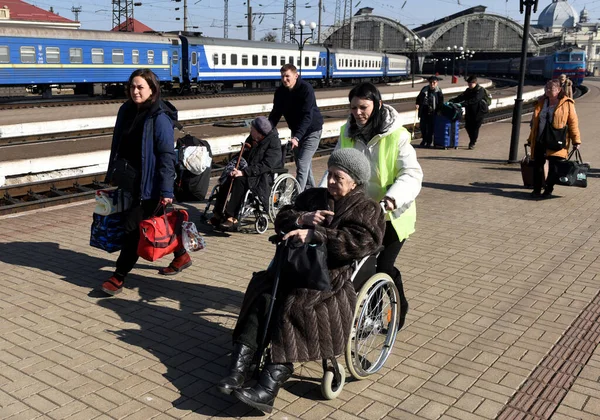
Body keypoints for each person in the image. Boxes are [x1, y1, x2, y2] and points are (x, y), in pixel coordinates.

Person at [218, 148, 385, 413]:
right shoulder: (315, 196)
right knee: (261, 291)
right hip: (293, 266)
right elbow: (283, 215)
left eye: (337, 177)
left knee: (294, 304)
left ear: (354, 181)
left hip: (329, 279)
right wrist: (301, 218)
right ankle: (239, 365)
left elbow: (363, 242)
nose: (330, 181)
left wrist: (317, 235)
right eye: (328, 174)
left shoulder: (367, 208)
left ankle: (269, 384)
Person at [319, 82, 423, 332]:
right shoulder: (347, 132)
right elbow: (334, 168)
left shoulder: (396, 135)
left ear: (377, 105)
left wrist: (390, 200)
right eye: (353, 107)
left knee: (382, 266)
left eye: (363, 107)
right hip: (358, 212)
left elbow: (411, 174)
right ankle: (363, 310)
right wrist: (322, 196)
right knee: (357, 262)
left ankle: (396, 309)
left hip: (391, 214)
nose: (357, 113)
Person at [101, 69, 191, 296]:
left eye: (140, 87)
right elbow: (118, 144)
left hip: (148, 184)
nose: (135, 91)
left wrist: (166, 189)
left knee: (133, 228)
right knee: (154, 222)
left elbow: (166, 156)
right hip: (129, 180)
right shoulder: (126, 110)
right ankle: (181, 255)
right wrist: (112, 171)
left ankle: (119, 275)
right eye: (132, 86)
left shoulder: (158, 117)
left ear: (152, 89)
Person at [210, 116, 282, 230]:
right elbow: (243, 153)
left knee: (239, 180)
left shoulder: (274, 143)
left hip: (261, 176)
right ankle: (218, 212)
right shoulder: (253, 138)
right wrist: (235, 166)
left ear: (259, 133)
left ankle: (232, 217)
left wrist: (244, 172)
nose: (250, 131)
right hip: (247, 170)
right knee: (229, 177)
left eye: (252, 129)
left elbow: (267, 165)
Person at [268, 64, 323, 191]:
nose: (284, 79)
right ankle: (311, 193)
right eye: (282, 76)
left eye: (287, 76)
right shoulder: (280, 92)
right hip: (296, 131)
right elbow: (275, 113)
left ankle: (297, 198)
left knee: (302, 164)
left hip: (312, 130)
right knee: (303, 165)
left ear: (296, 76)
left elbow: (307, 116)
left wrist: (297, 137)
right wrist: (266, 131)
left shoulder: (306, 89)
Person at [527, 79, 581, 198]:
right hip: (540, 138)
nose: (547, 90)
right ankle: (536, 189)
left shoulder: (567, 103)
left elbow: (573, 123)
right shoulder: (541, 102)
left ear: (558, 90)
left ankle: (548, 189)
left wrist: (576, 140)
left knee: (554, 167)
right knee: (537, 165)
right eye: (546, 88)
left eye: (551, 89)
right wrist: (531, 139)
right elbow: (535, 123)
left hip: (557, 139)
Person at [449, 75, 486, 149]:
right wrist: (452, 101)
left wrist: (461, 104)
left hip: (479, 113)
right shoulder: (468, 90)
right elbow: (461, 97)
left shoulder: (480, 91)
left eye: (470, 84)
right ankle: (472, 140)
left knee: (475, 128)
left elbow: (474, 100)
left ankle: (472, 142)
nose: (469, 85)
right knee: (468, 127)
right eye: (468, 84)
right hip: (469, 112)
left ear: (475, 83)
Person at [415, 75, 444, 148]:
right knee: (423, 127)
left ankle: (429, 141)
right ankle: (424, 139)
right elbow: (418, 98)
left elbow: (441, 102)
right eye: (431, 82)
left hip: (433, 112)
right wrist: (417, 104)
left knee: (431, 128)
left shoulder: (438, 91)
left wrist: (439, 111)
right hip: (424, 110)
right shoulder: (424, 89)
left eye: (434, 82)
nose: (432, 84)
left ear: (437, 83)